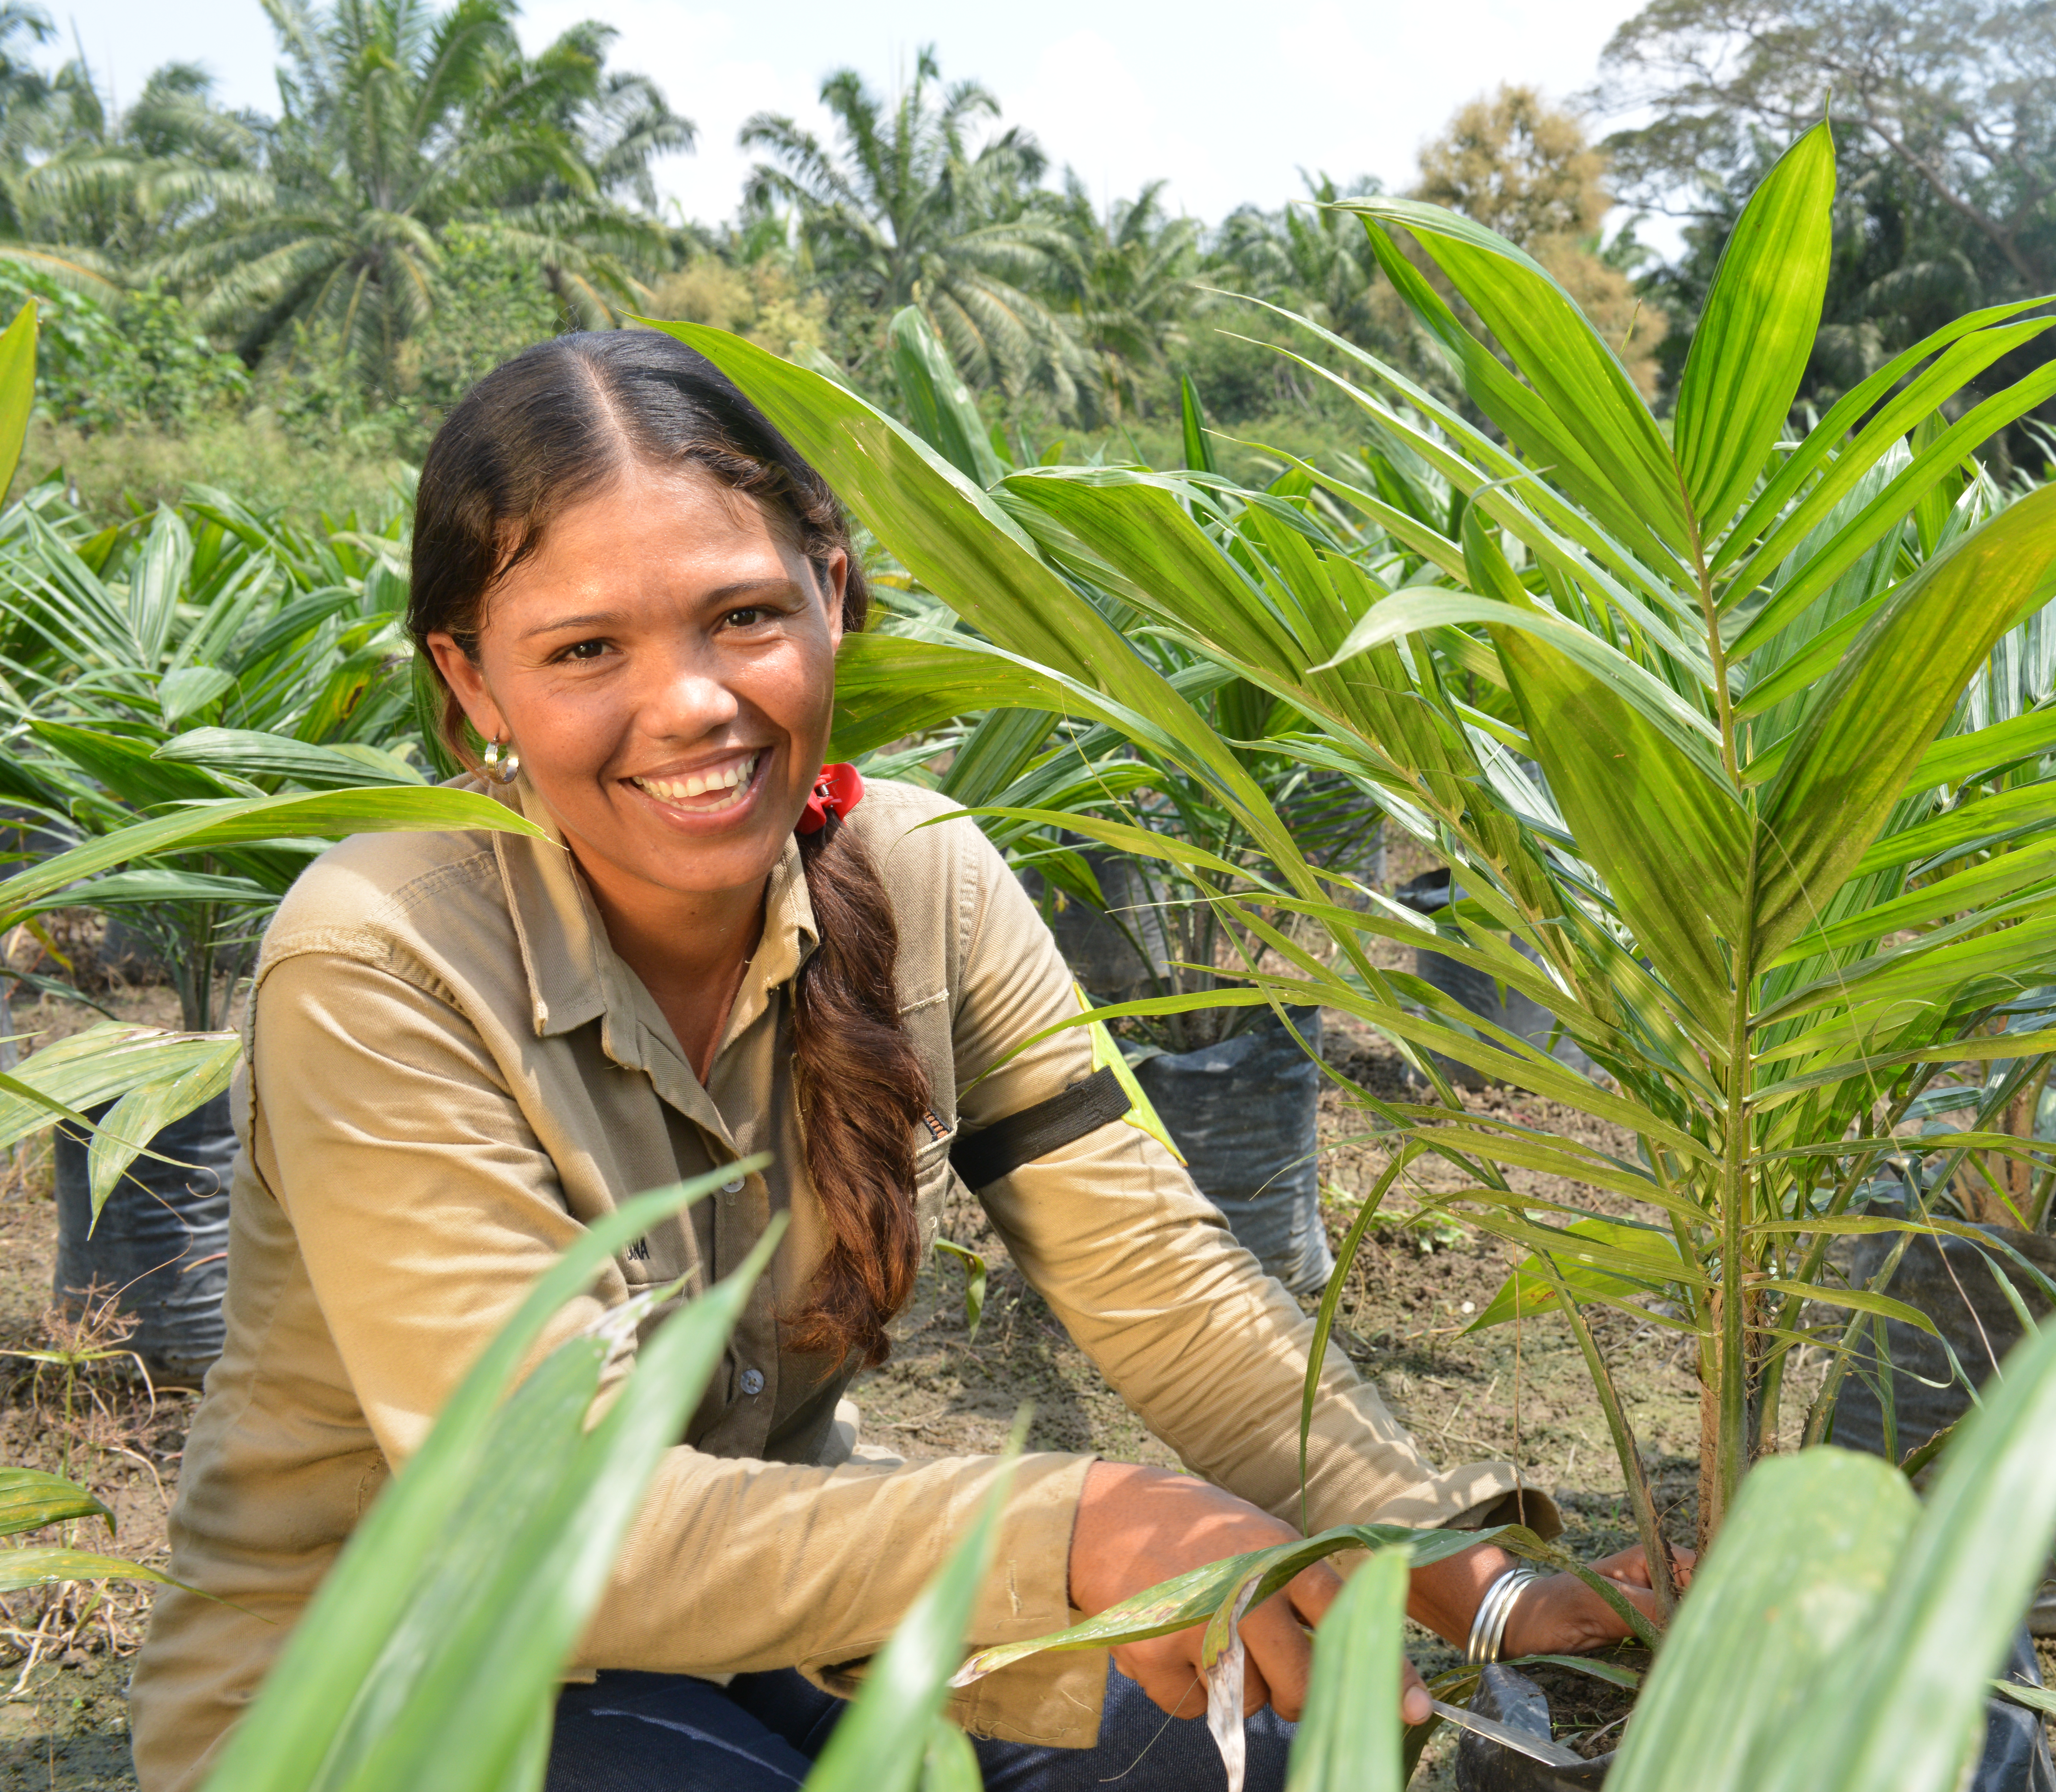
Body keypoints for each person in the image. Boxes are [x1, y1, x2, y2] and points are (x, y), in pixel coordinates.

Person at [127, 331, 1670, 1791]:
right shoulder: (382, 955)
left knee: (1230, 1743)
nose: (690, 704)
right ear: (473, 688)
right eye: (585, 647)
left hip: (774, 1624)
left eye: (742, 615)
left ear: (832, 592)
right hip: (397, 1669)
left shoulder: (920, 873)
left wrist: (1455, 1566)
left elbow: (1161, 1284)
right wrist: (1080, 1520)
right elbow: (544, 1521)